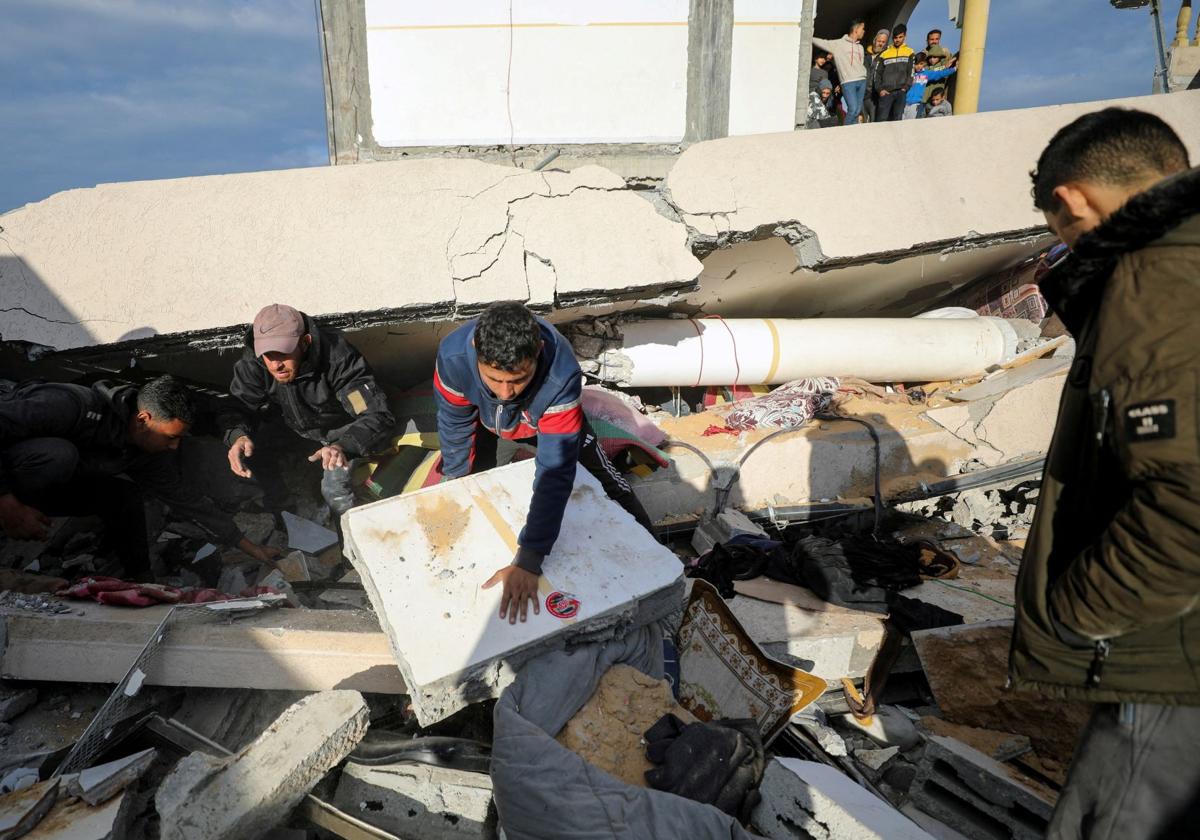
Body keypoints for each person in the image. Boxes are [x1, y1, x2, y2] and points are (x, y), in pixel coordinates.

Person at [1011, 107, 1200, 839]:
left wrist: (1080, 613)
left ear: (1071, 200)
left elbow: (1189, 497)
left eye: (1058, 227)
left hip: (1173, 665)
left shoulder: (1159, 278)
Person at [433, 302, 655, 624]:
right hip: (491, 425)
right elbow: (454, 424)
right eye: (494, 380)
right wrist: (456, 478)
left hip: (547, 421)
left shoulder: (560, 374)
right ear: (474, 349)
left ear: (537, 351)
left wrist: (530, 559)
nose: (506, 392)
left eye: (519, 380)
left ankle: (653, 553)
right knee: (471, 490)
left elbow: (555, 472)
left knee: (608, 482)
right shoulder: (453, 357)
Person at [0, 375, 276, 579]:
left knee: (124, 497)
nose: (175, 446)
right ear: (143, 419)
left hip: (37, 488)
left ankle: (139, 579)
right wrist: (7, 503)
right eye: (171, 437)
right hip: (11, 482)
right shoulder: (71, 405)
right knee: (59, 454)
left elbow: (186, 501)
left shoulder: (144, 451)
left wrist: (250, 547)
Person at [222, 303, 396, 520]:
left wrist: (342, 446)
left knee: (335, 491)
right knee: (248, 453)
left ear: (305, 343)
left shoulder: (337, 360)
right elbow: (237, 407)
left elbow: (376, 416)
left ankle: (351, 551)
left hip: (344, 434)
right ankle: (287, 528)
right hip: (297, 429)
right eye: (268, 356)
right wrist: (237, 436)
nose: (276, 365)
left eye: (283, 354)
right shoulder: (255, 363)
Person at [813, 19, 867, 125]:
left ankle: (854, 135)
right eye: (862, 28)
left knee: (857, 110)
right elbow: (823, 42)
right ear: (856, 29)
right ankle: (845, 134)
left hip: (862, 80)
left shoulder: (860, 47)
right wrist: (808, 36)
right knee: (852, 109)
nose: (864, 31)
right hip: (848, 82)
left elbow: (860, 64)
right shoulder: (839, 44)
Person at [873, 23, 915, 122]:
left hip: (901, 91)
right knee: (881, 120)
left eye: (900, 37)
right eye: (895, 37)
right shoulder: (884, 53)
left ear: (905, 36)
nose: (897, 40)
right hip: (886, 92)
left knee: (897, 119)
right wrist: (880, 90)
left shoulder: (910, 52)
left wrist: (905, 88)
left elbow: (911, 72)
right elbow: (877, 74)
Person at [904, 52, 956, 120]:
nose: (919, 66)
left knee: (911, 124)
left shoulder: (926, 73)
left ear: (924, 64)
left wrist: (954, 69)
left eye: (921, 64)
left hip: (916, 104)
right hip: (905, 104)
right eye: (916, 64)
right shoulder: (909, 74)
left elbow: (940, 74)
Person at [863, 29, 890, 123]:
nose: (881, 44)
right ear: (874, 40)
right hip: (863, 94)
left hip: (876, 95)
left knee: (875, 123)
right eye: (879, 41)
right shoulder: (864, 55)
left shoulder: (886, 56)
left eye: (883, 42)